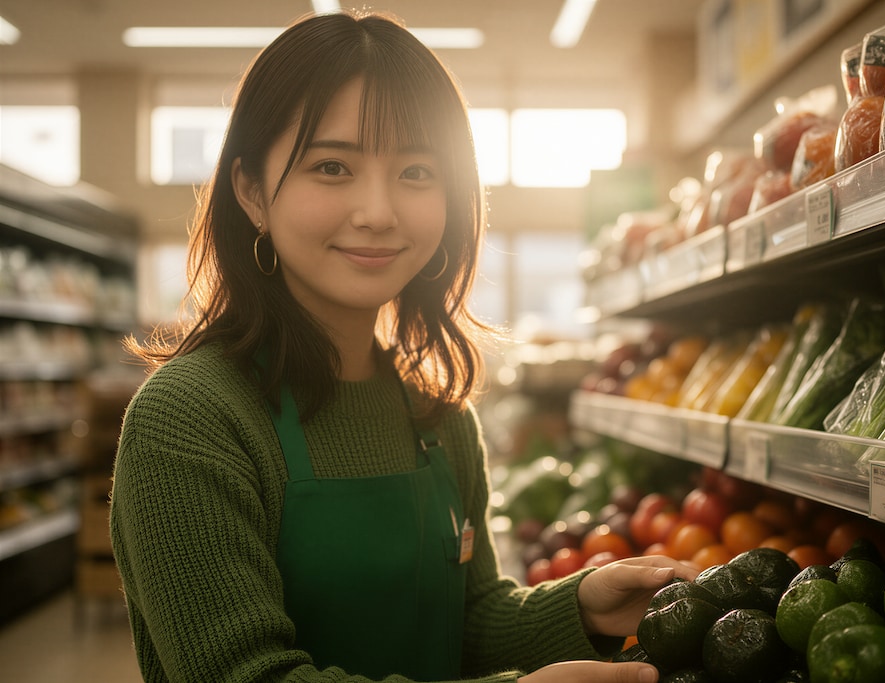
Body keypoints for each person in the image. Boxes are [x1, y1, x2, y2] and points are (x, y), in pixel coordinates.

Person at [109, 9, 696, 682]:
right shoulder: (189, 418)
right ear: (251, 191)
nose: (379, 211)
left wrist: (581, 607)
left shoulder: (437, 415)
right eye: (333, 166)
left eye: (417, 171)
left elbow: (468, 623)